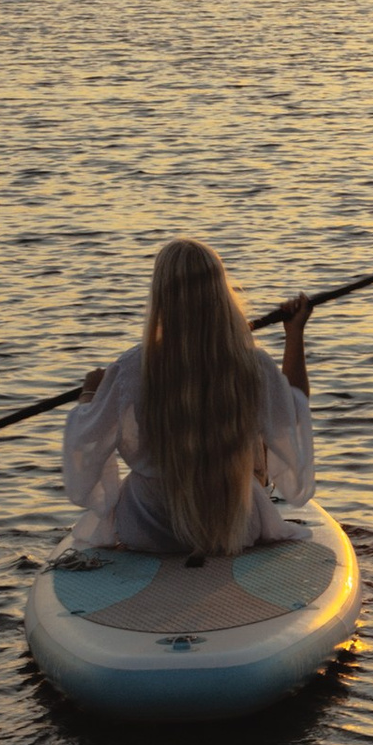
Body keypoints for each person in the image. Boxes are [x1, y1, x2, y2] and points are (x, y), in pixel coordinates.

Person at [62, 238, 317, 560]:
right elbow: (292, 410)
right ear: (219, 293)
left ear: (161, 296)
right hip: (236, 526)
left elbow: (86, 445)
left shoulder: (130, 369)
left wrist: (90, 395)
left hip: (147, 526)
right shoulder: (250, 364)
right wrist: (294, 334)